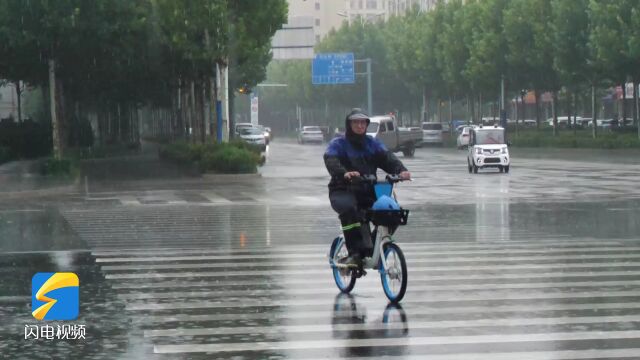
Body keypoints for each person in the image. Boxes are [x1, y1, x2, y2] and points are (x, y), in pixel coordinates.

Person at [323, 110, 411, 266]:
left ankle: (373, 247)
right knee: (351, 210)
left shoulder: (372, 143)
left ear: (366, 125)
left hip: (368, 190)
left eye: (363, 122)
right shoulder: (338, 143)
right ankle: (354, 253)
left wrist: (401, 170)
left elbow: (387, 158)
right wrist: (345, 173)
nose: (359, 125)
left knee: (392, 212)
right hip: (342, 190)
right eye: (355, 122)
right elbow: (331, 160)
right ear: (349, 125)